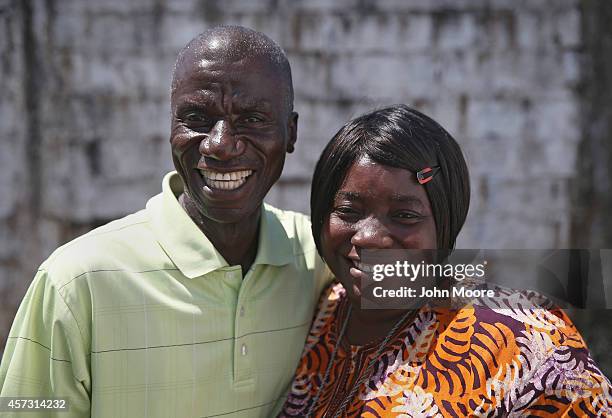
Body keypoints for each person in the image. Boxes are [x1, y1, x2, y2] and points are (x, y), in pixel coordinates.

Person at [0, 26, 329, 417]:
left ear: (290, 132)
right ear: (171, 126)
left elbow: (416, 280)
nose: (220, 144)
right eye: (197, 117)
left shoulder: (319, 256)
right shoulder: (75, 281)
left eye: (252, 119)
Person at [278, 105, 612, 417]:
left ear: (446, 224)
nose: (369, 238)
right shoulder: (319, 312)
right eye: (349, 212)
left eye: (404, 215)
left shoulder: (528, 342)